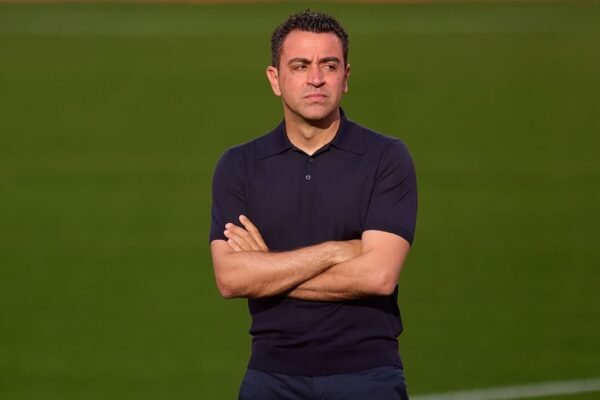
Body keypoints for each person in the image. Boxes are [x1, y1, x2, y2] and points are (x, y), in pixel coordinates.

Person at [209, 10, 417, 400]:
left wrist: (267, 270)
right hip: (270, 378)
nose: (316, 78)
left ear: (346, 77)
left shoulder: (386, 158)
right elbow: (231, 279)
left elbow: (378, 277)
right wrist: (336, 251)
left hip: (367, 376)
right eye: (300, 65)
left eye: (329, 65)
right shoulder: (239, 166)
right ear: (275, 78)